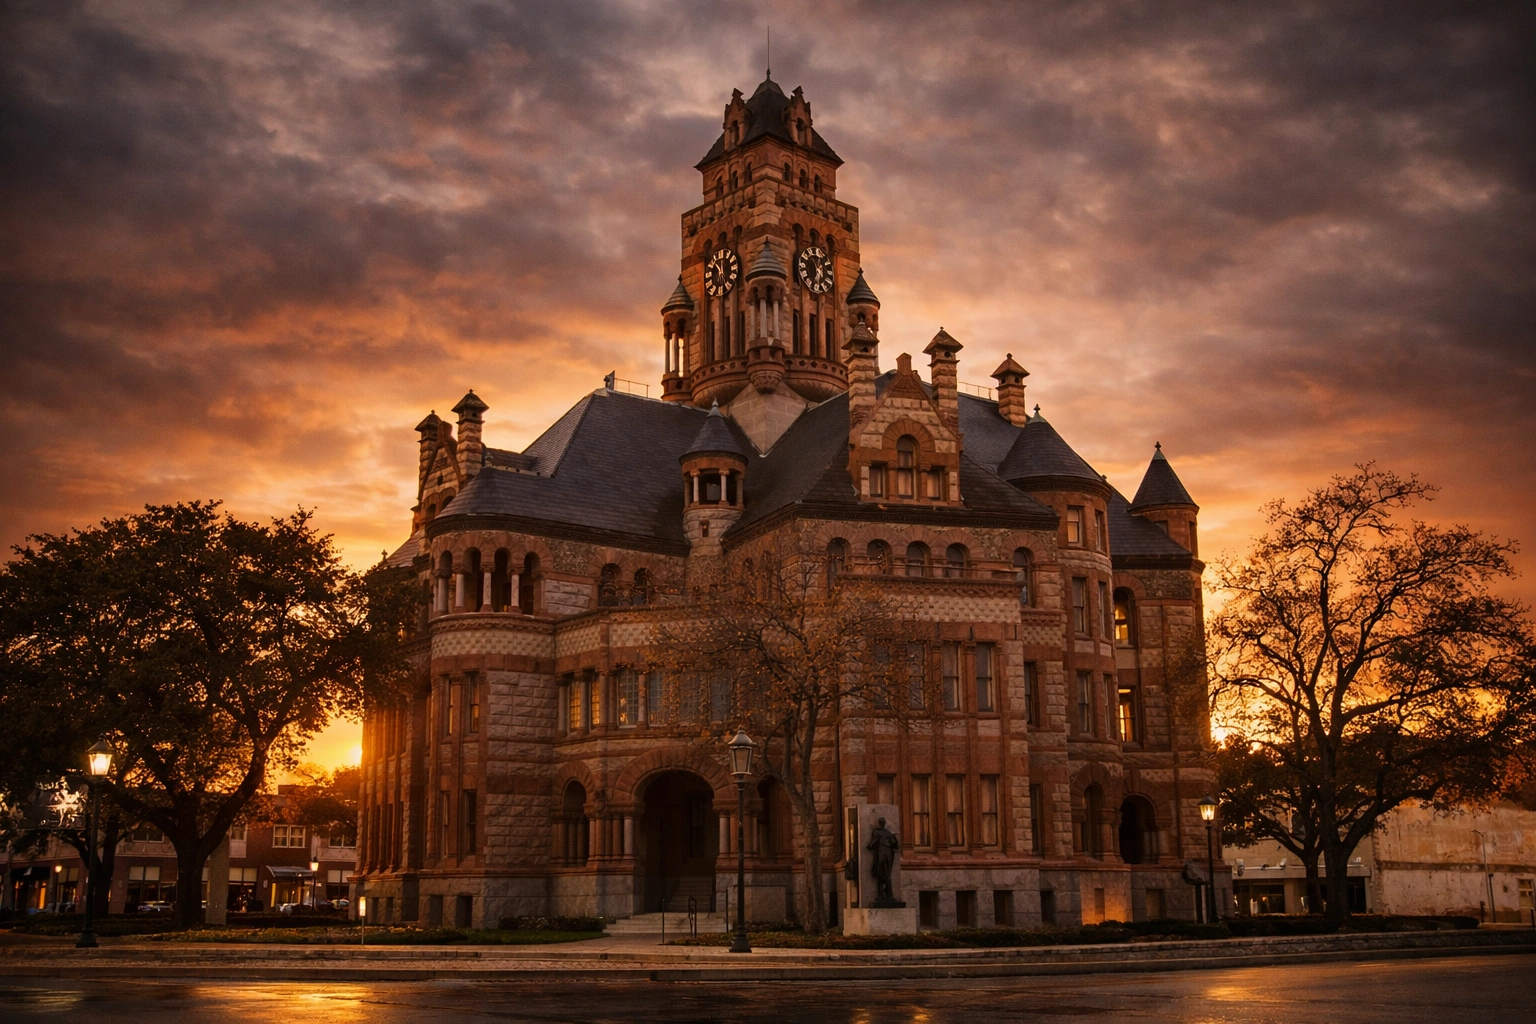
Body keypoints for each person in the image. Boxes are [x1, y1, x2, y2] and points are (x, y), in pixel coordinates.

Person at [866, 817, 900, 905]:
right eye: (881, 822)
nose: (882, 823)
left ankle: (888, 894)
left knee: (887, 874)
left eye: (883, 822)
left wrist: (893, 837)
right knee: (880, 872)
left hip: (888, 855)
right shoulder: (877, 832)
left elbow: (895, 845)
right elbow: (871, 844)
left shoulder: (888, 833)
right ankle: (882, 894)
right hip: (881, 854)